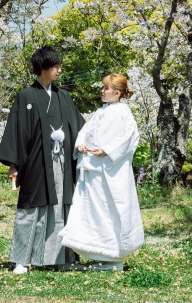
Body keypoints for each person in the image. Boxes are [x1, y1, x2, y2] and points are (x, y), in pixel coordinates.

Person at [0, 45, 84, 274]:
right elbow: (16, 131)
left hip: (62, 162)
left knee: (62, 207)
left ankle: (62, 258)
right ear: (43, 68)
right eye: (55, 66)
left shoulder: (63, 96)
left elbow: (80, 128)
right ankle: (21, 260)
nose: (59, 70)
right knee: (31, 209)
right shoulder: (26, 96)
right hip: (35, 163)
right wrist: (13, 164)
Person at [60, 74, 145, 271]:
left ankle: (114, 254)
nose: (102, 91)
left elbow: (129, 138)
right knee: (92, 210)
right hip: (92, 169)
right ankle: (97, 252)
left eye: (106, 89)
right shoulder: (100, 112)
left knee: (111, 210)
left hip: (111, 171)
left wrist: (107, 150)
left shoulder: (124, 113)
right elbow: (85, 131)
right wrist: (81, 145)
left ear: (116, 93)